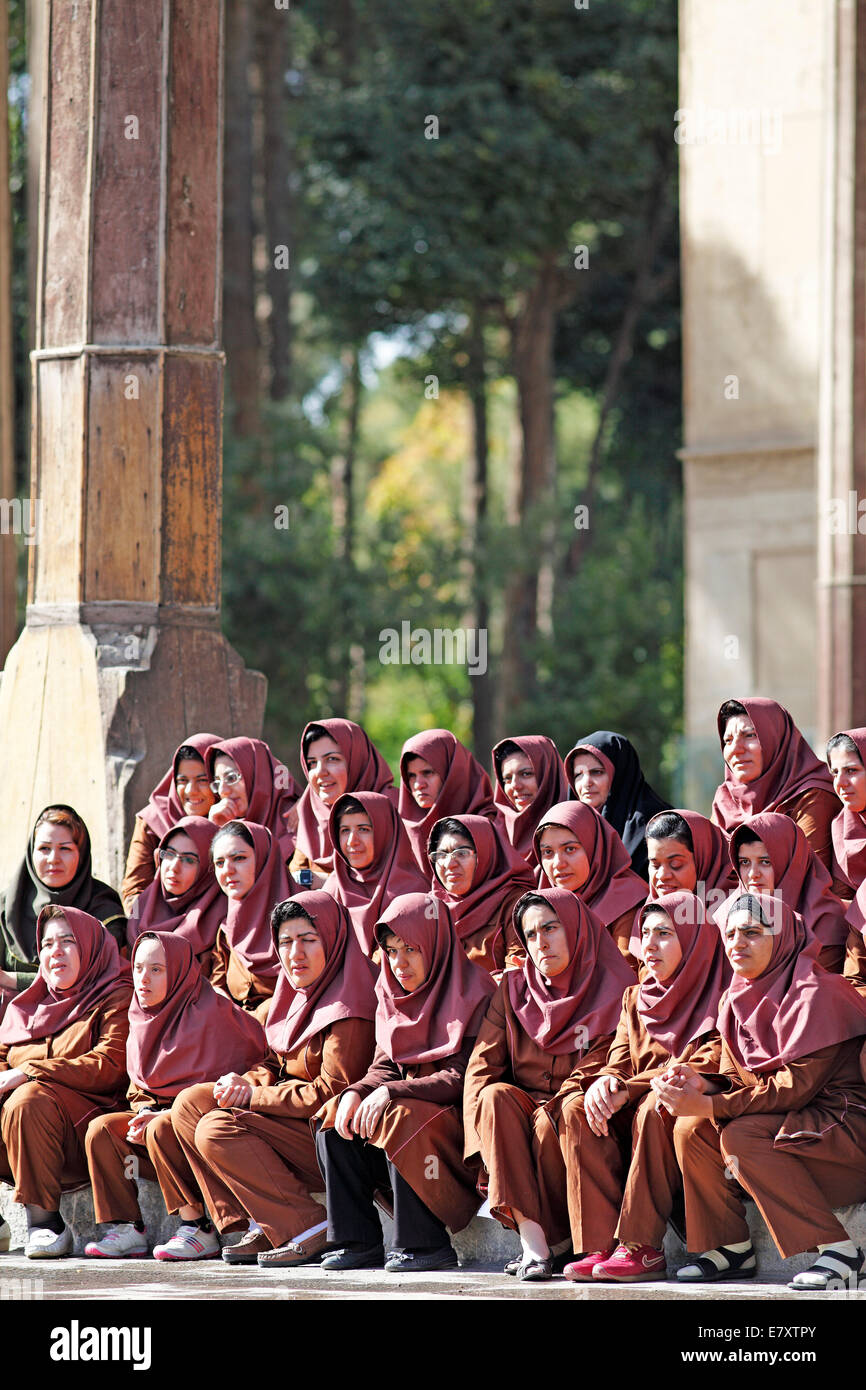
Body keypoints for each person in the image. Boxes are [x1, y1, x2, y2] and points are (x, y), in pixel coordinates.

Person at [655, 892, 866, 1290]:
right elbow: (740, 1078)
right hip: (791, 1129)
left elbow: (794, 1090)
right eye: (730, 934)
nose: (737, 944)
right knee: (691, 1128)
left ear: (783, 937)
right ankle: (730, 1246)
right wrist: (705, 1083)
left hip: (843, 1135)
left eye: (751, 933)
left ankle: (841, 1250)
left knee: (739, 1133)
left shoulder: (819, 993)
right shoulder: (736, 999)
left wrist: (711, 1101)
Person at [171, 892, 376, 1268]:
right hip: (291, 1121)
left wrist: (250, 1097)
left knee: (217, 1127)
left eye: (308, 940)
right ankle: (262, 1219)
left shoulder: (350, 1002)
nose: (294, 953)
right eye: (285, 942)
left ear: (331, 938)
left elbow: (330, 1092)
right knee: (190, 1104)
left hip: (333, 1138)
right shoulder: (292, 992)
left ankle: (308, 1224)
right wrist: (242, 1081)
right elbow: (272, 1062)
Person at [316, 893, 494, 1273]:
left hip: (459, 1137)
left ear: (435, 943)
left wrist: (389, 1092)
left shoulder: (475, 991)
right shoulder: (391, 995)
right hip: (408, 1126)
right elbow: (384, 1068)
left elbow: (461, 1077)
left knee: (401, 1116)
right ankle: (358, 1241)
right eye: (392, 951)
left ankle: (426, 1243)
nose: (399, 963)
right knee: (334, 1122)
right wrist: (356, 1093)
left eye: (411, 949)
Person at [463, 887, 635, 1280]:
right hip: (526, 1118)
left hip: (590, 1114)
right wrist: (483, 1145)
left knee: (560, 1115)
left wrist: (553, 1109)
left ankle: (591, 1244)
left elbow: (609, 1057)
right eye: (531, 935)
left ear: (575, 928)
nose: (541, 943)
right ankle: (533, 1241)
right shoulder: (512, 988)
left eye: (551, 928)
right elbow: (481, 1068)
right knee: (493, 1098)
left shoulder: (614, 985)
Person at [561, 892, 725, 1282]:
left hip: (683, 1112)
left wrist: (629, 1088)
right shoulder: (635, 997)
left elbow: (707, 1063)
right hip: (636, 1109)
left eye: (664, 934)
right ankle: (601, 1245)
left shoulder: (720, 990)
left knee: (658, 1102)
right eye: (645, 933)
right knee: (579, 1107)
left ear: (693, 939)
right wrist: (607, 1082)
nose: (648, 946)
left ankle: (641, 1246)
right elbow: (618, 1059)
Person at [83, 932, 265, 1260]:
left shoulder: (213, 1013)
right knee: (102, 1130)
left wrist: (167, 1115)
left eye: (157, 969)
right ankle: (126, 1226)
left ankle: (198, 1227)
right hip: (162, 1134)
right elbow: (138, 1089)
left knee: (161, 1128)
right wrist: (146, 1109)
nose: (143, 978)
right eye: (138, 968)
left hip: (206, 1129)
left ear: (180, 971)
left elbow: (240, 1081)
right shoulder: (140, 1018)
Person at [0, 907, 132, 1258]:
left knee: (28, 1098)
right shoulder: (26, 1006)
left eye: (68, 941)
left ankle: (45, 1224)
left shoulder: (115, 996)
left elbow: (110, 1066)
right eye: (46, 944)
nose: (55, 951)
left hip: (82, 1135)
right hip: (20, 1138)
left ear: (90, 947)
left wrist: (31, 1071)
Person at [0, 805, 125, 1021]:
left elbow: (90, 979)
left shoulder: (104, 908)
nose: (53, 859)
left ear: (82, 853)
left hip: (82, 1025)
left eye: (65, 849)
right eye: (44, 848)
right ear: (31, 853)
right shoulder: (7, 907)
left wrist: (13, 980)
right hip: (11, 1026)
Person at [711, 698, 839, 873]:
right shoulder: (725, 800)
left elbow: (804, 878)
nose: (736, 749)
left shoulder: (812, 796)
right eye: (728, 740)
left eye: (750, 735)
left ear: (777, 739)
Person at [728, 812, 848, 973]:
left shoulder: (825, 921)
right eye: (744, 862)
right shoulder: (728, 916)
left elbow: (817, 990)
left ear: (792, 862)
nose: (752, 874)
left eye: (765, 862)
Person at [534, 800, 646, 963]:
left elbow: (625, 971)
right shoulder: (540, 900)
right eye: (548, 852)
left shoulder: (628, 900)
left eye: (570, 849)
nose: (558, 863)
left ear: (595, 848)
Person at [121, 733, 221, 911]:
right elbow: (133, 892)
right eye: (182, 781)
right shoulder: (153, 820)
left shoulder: (234, 820)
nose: (191, 790)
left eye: (203, 780)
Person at [322, 792, 428, 955]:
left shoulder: (414, 891)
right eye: (344, 830)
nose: (352, 841)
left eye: (363, 829)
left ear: (385, 833)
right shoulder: (334, 887)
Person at [427, 814, 534, 975]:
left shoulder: (515, 903)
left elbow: (516, 973)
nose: (449, 864)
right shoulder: (431, 907)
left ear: (486, 854)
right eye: (441, 855)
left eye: (461, 853)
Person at [292, 719, 396, 882]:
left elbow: (401, 879)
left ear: (358, 761)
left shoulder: (391, 807)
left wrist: (323, 882)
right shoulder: (311, 811)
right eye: (312, 763)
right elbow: (294, 876)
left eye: (332, 759)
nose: (320, 772)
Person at [209, 821, 291, 1021]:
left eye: (239, 858)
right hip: (239, 1038)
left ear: (264, 859)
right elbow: (216, 988)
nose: (227, 870)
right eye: (219, 863)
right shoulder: (227, 930)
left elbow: (309, 988)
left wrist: (254, 1020)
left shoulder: (304, 918)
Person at [125, 817, 224, 974]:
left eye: (188, 860)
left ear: (208, 869)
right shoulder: (140, 907)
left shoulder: (220, 922)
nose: (174, 867)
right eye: (169, 854)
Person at [565, 731, 669, 879]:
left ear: (620, 774)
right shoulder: (574, 826)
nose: (586, 783)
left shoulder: (655, 822)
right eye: (578, 775)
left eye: (597, 772)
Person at [397, 729, 500, 876]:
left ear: (454, 773)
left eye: (428, 773)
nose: (418, 784)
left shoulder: (489, 825)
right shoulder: (402, 830)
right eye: (411, 776)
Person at [205, 736, 299, 862]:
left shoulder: (299, 824)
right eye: (217, 783)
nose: (223, 791)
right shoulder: (231, 826)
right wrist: (216, 833)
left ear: (259, 776)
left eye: (232, 778)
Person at [492, 735, 569, 870]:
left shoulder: (576, 830)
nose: (515, 785)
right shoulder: (495, 837)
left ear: (548, 776)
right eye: (507, 779)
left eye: (526, 774)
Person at [645, 809, 737, 907]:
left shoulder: (735, 914)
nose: (662, 875)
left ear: (704, 861)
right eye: (655, 865)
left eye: (676, 864)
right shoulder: (648, 916)